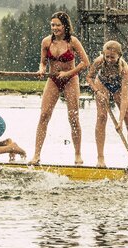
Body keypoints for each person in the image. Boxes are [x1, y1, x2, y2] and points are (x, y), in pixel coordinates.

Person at [30, 11, 90, 165]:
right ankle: (36, 155)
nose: (54, 28)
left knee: (73, 117)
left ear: (65, 26)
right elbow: (43, 62)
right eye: (52, 25)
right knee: (44, 115)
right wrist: (42, 69)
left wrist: (68, 73)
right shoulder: (46, 42)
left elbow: (85, 62)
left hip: (70, 79)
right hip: (53, 79)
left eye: (58, 25)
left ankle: (77, 155)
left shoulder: (73, 42)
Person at [87, 40, 128, 167]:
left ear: (119, 56)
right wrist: (97, 92)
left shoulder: (124, 69)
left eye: (112, 57)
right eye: (106, 56)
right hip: (102, 84)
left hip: (118, 87)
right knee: (102, 117)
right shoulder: (99, 61)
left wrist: (120, 120)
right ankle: (100, 158)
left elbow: (124, 97)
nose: (109, 59)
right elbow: (89, 77)